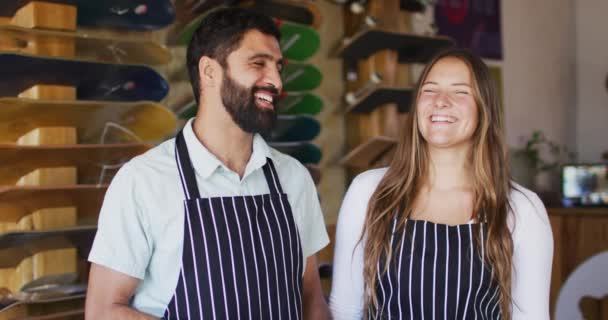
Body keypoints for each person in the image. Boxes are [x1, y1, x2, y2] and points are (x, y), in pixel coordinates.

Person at [85, 8, 330, 320]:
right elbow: (103, 312)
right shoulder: (143, 180)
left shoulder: (293, 177)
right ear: (209, 71)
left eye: (278, 67)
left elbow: (311, 298)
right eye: (259, 64)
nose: (277, 82)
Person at [329, 48, 553, 319]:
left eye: (460, 92)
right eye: (429, 90)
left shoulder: (520, 207)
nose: (441, 101)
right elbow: (345, 310)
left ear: (485, 109)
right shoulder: (369, 191)